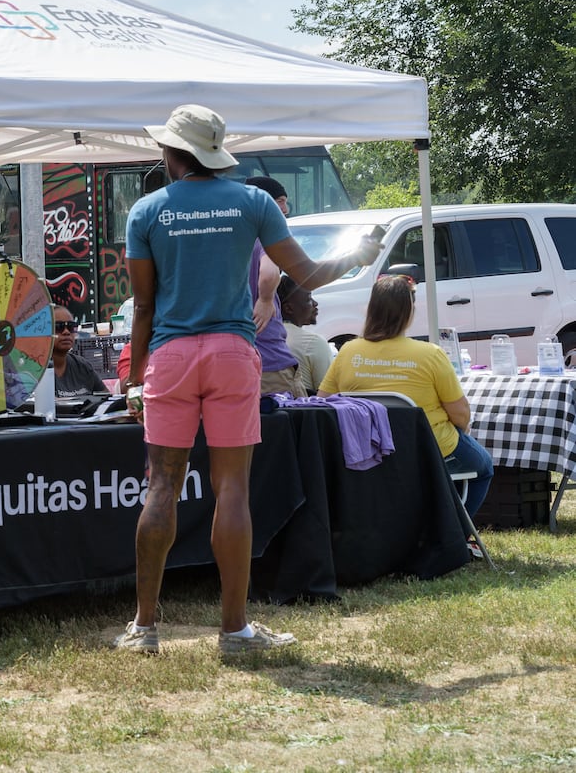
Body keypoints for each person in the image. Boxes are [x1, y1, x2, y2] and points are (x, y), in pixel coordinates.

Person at [115, 104, 383, 655]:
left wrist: (134, 381)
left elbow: (142, 307)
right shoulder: (253, 201)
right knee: (231, 488)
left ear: (172, 154)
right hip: (234, 354)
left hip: (169, 354)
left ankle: (144, 627)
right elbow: (306, 274)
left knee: (161, 486)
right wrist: (360, 253)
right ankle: (234, 628)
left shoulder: (146, 211)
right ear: (213, 154)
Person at [317, 274, 495, 516]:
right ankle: (453, 534)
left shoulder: (348, 352)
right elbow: (460, 414)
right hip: (428, 449)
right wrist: (461, 431)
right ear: (408, 310)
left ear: (372, 309)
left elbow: (324, 404)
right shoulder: (430, 354)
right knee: (483, 466)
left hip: (368, 452)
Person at [245, 175, 307, 398]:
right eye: (281, 200)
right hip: (271, 364)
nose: (286, 209)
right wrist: (265, 300)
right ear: (264, 202)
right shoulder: (264, 237)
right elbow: (270, 272)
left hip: (236, 363)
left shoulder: (231, 239)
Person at [277, 274, 336, 393]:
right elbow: (329, 394)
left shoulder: (264, 337)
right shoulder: (313, 342)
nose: (315, 303)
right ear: (288, 308)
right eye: (308, 299)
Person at [50, 305, 109, 398]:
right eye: (58, 327)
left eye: (71, 327)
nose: (66, 332)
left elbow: (106, 400)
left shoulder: (82, 366)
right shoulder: (35, 370)